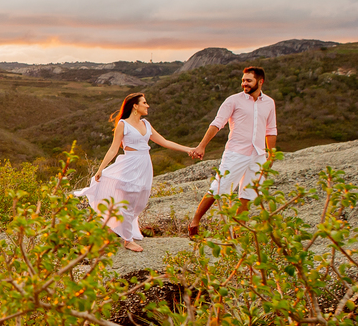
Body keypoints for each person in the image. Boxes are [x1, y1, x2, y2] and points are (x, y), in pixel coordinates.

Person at [75, 93, 196, 252]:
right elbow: (113, 149)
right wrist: (100, 169)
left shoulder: (146, 123)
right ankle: (127, 240)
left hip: (145, 165)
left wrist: (189, 150)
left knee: (140, 202)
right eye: (144, 103)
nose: (148, 106)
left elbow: (165, 142)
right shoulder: (123, 125)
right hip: (129, 165)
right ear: (135, 105)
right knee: (129, 202)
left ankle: (111, 231)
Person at [186, 66, 277, 236]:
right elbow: (217, 123)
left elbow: (271, 129)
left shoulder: (269, 103)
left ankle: (237, 231)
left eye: (248, 80)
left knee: (248, 193)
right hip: (236, 153)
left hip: (258, 155)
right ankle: (194, 222)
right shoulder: (233, 100)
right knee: (219, 188)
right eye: (243, 80)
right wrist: (202, 145)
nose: (244, 84)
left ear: (260, 81)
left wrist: (271, 154)